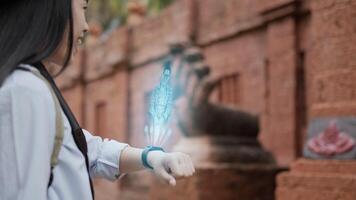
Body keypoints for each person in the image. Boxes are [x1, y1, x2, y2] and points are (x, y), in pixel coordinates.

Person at [0, 0, 195, 199]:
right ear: (50, 9)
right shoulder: (24, 90)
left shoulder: (32, 85)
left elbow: (86, 151)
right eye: (83, 8)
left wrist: (151, 157)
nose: (85, 26)